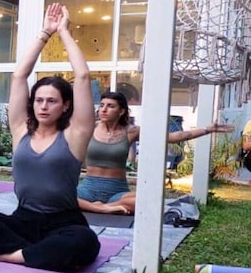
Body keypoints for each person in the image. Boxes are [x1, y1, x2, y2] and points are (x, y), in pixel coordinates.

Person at [0, 3, 100, 272]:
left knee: (85, 242)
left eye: (52, 101)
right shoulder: (21, 130)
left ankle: (8, 256)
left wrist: (63, 31)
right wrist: (44, 34)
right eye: (39, 100)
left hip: (63, 222)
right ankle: (36, 254)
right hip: (23, 220)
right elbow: (18, 76)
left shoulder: (75, 134)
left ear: (65, 106)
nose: (43, 106)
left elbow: (82, 76)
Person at [77, 91, 235, 215]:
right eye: (102, 105)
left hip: (117, 191)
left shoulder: (131, 131)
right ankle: (100, 208)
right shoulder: (89, 128)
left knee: (148, 200)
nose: (103, 109)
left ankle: (100, 206)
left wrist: (207, 129)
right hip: (88, 189)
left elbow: (173, 137)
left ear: (121, 111)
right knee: (62, 196)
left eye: (110, 106)